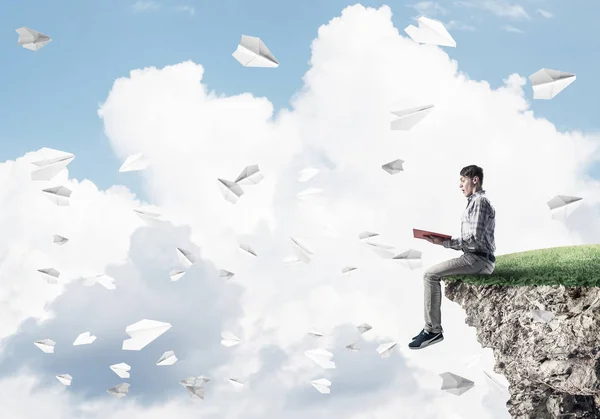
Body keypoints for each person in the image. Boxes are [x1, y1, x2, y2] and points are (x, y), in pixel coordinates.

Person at [408, 165, 496, 350]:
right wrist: (442, 241)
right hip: (474, 256)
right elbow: (472, 240)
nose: (460, 185)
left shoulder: (480, 201)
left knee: (430, 275)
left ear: (475, 179)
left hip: (478, 259)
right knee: (431, 274)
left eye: (463, 180)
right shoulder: (473, 202)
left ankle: (433, 331)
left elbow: (474, 238)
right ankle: (430, 328)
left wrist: (445, 243)